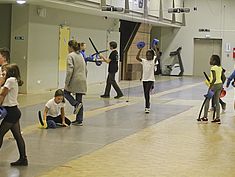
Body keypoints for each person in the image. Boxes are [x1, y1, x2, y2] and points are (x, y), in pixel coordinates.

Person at [0, 63, 28, 166]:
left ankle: (23, 158)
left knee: (0, 134)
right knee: (17, 136)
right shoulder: (13, 80)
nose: (3, 72)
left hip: (11, 112)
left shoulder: (10, 80)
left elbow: (2, 94)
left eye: (5, 71)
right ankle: (23, 158)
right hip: (14, 111)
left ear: (10, 72)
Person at [64, 40, 87, 126]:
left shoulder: (70, 56)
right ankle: (79, 120)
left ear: (70, 47)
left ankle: (75, 104)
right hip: (82, 79)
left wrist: (67, 82)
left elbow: (70, 70)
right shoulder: (81, 55)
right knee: (79, 99)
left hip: (75, 79)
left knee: (65, 93)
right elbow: (86, 69)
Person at [198, 55, 225, 124]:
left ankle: (205, 117)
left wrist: (210, 87)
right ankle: (217, 118)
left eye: (211, 59)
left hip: (214, 86)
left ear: (214, 61)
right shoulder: (220, 68)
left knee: (207, 100)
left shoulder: (213, 68)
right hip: (220, 85)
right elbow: (223, 78)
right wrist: (222, 85)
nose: (209, 61)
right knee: (216, 101)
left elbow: (214, 78)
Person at [136, 48, 156, 113]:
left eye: (150, 55)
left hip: (151, 79)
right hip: (144, 79)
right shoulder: (144, 61)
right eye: (147, 55)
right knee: (145, 93)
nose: (148, 56)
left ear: (152, 56)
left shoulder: (153, 61)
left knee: (147, 92)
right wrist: (140, 49)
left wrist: (155, 47)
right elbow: (137, 57)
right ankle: (148, 103)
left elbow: (158, 56)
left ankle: (147, 107)